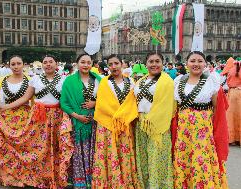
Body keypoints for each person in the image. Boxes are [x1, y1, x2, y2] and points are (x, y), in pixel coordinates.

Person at [0, 55, 73, 188]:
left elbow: (68, 100)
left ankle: (54, 177)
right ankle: (37, 177)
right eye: (45, 62)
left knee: (54, 147)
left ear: (56, 64)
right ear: (42, 65)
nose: (48, 64)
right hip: (38, 118)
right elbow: (25, 98)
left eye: (51, 62)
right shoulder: (35, 79)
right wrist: (6, 107)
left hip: (57, 118)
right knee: (37, 148)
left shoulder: (65, 80)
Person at [173, 51, 228, 188]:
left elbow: (217, 109)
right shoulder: (178, 81)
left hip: (202, 133)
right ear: (187, 63)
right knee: (184, 160)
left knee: (201, 161)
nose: (196, 64)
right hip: (183, 132)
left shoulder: (211, 81)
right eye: (192, 61)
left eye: (199, 61)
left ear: (205, 64)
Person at [92, 54, 139, 188]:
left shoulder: (131, 82)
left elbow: (133, 103)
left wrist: (123, 117)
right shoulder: (104, 83)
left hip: (124, 123)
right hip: (107, 123)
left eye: (116, 63)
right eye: (110, 64)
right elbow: (102, 103)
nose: (114, 67)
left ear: (122, 64)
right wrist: (115, 117)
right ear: (108, 67)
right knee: (108, 153)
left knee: (123, 153)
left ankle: (124, 181)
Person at [134, 52, 174, 188]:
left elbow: (166, 104)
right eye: (151, 61)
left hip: (157, 123)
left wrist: (151, 119)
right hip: (141, 122)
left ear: (162, 63)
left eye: (157, 61)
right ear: (146, 64)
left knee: (157, 157)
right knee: (143, 157)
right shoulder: (140, 81)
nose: (154, 64)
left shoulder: (167, 81)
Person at [60, 54, 101, 188]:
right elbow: (64, 103)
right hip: (77, 123)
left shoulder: (99, 80)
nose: (85, 65)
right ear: (77, 63)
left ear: (92, 64)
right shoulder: (69, 81)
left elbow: (106, 98)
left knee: (93, 151)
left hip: (95, 123)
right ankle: (80, 180)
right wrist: (77, 116)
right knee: (78, 153)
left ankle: (93, 179)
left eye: (88, 62)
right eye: (82, 62)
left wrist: (95, 103)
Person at [224, 57, 241, 146]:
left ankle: (232, 139)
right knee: (240, 116)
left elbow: (227, 82)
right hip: (240, 93)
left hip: (232, 93)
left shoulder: (231, 70)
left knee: (230, 116)